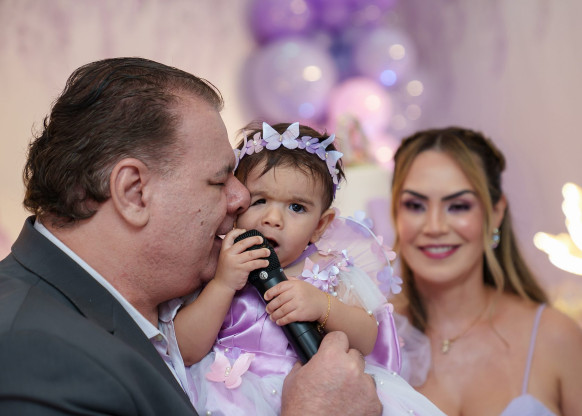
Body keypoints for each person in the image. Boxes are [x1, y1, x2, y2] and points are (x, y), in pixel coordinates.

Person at [0, 57, 382, 415]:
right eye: (219, 180)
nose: (242, 197)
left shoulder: (149, 303)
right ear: (134, 192)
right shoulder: (31, 349)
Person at [163, 121, 446, 415]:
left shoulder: (327, 268)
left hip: (319, 391)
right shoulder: (220, 264)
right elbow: (185, 351)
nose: (273, 219)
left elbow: (367, 339)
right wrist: (223, 284)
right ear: (237, 205)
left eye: (296, 207)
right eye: (260, 201)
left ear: (320, 225)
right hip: (228, 395)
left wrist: (324, 307)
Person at [390, 126, 582, 415]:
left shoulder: (555, 336)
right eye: (415, 205)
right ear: (396, 212)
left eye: (458, 206)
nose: (434, 227)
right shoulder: (370, 335)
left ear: (495, 213)